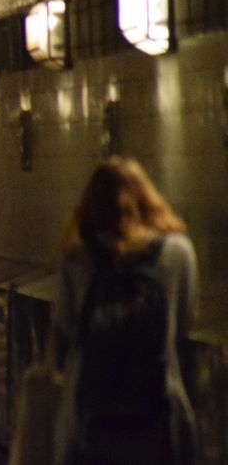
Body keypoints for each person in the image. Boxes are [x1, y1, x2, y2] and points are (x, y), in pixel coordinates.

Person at [51, 158, 198, 465]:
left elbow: (65, 326)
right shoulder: (179, 252)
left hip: (88, 419)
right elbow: (183, 324)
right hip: (159, 415)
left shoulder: (76, 256)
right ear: (149, 198)